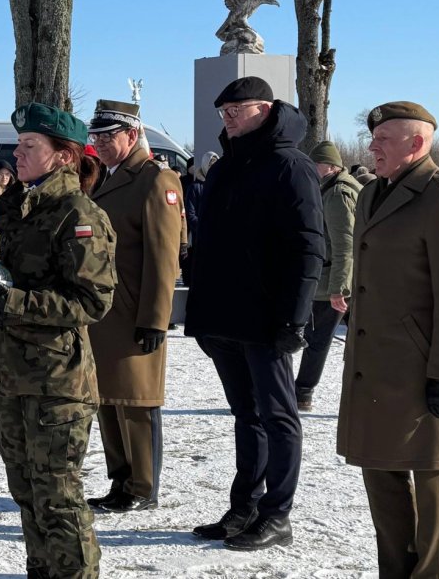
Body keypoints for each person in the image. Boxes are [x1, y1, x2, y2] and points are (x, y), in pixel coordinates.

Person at [0, 102, 115, 579]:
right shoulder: (15, 207)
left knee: (58, 499)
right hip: (11, 377)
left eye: (30, 145)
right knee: (26, 494)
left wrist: (11, 304)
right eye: (19, 143)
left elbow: (92, 301)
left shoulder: (78, 214)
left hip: (57, 382)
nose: (17, 153)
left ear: (63, 156)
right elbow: (0, 274)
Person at [338, 102, 439, 579]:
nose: (372, 147)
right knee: (379, 469)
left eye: (383, 140)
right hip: (373, 360)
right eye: (372, 138)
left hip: (419, 365)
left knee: (429, 472)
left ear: (416, 144)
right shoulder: (371, 193)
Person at [185, 76, 324, 551]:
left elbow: (308, 247)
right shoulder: (225, 167)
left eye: (235, 110)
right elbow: (208, 246)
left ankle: (277, 514)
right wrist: (201, 315)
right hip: (224, 317)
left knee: (278, 417)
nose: (226, 117)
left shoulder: (291, 165)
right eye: (223, 111)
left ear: (264, 110)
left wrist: (294, 318)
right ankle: (244, 506)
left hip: (267, 318)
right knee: (246, 415)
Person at [80, 99, 182, 514]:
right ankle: (120, 480)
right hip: (104, 311)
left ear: (132, 134)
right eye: (96, 137)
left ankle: (143, 485)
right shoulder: (106, 177)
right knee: (108, 398)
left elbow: (164, 255)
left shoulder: (155, 179)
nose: (100, 144)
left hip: (135, 310)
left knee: (137, 401)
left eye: (109, 136)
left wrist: (156, 318)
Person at [295, 141, 360, 412]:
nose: (311, 169)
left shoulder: (337, 194)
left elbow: (345, 245)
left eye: (316, 165)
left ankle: (302, 392)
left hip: (332, 281)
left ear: (330, 167)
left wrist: (338, 289)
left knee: (317, 340)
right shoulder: (335, 188)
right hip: (336, 277)